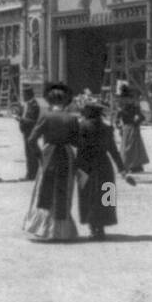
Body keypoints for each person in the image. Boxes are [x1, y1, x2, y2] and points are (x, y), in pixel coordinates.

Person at [23, 84, 81, 241]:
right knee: (64, 191)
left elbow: (31, 139)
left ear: (50, 100)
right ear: (66, 101)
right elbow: (77, 142)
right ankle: (62, 231)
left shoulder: (46, 116)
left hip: (49, 154)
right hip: (66, 155)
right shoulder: (72, 118)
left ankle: (44, 228)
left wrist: (39, 156)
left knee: (45, 191)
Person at [76, 101, 135, 240]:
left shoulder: (82, 127)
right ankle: (101, 228)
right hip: (104, 165)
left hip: (86, 165)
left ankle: (92, 228)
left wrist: (76, 167)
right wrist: (122, 170)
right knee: (105, 196)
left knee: (87, 196)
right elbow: (114, 151)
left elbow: (80, 149)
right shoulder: (107, 128)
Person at [116, 87, 150, 174]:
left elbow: (142, 117)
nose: (127, 101)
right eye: (125, 99)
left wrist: (136, 123)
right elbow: (116, 121)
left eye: (129, 99)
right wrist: (120, 128)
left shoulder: (134, 108)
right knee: (127, 149)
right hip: (126, 130)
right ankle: (128, 165)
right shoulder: (121, 109)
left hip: (133, 129)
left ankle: (135, 166)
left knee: (133, 148)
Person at [18, 86, 43, 181]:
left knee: (31, 154)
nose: (23, 96)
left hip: (31, 133)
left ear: (28, 95)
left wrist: (22, 119)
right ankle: (31, 174)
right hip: (26, 132)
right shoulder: (27, 104)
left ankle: (31, 175)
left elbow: (33, 121)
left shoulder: (34, 105)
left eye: (24, 94)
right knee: (29, 154)